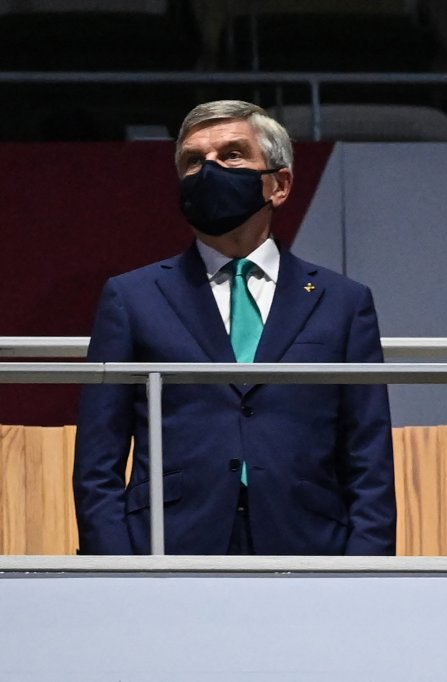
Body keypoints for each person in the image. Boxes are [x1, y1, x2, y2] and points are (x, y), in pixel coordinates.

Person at [73, 100, 396, 555]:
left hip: (310, 547)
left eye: (231, 155)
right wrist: (114, 566)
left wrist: (367, 567)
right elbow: (97, 458)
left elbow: (369, 455)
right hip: (168, 547)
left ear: (279, 185)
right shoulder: (132, 297)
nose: (209, 170)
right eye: (193, 161)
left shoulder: (344, 302)